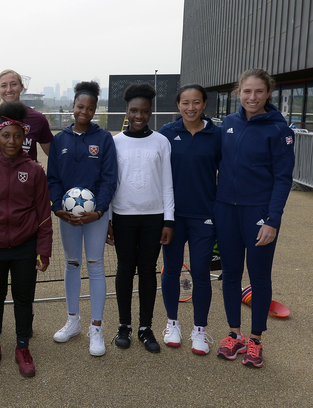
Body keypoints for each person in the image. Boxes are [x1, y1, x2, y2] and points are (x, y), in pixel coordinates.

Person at [214, 68, 294, 368]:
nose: (252, 97)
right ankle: (234, 334)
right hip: (226, 211)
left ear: (268, 94)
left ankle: (255, 340)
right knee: (231, 275)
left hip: (259, 215)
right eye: (247, 91)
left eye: (258, 91)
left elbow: (283, 179)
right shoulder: (229, 124)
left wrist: (273, 220)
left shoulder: (279, 130)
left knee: (259, 278)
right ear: (239, 93)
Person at [0, 101, 53, 378]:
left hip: (25, 246)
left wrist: (44, 249)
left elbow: (43, 214)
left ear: (25, 138)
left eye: (18, 136)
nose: (12, 141)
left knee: (23, 297)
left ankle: (22, 347)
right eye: (6, 136)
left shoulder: (36, 171)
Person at [47, 81, 117, 357]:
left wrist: (98, 211)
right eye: (79, 107)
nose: (84, 111)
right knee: (72, 264)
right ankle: (73, 321)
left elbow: (110, 179)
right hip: (67, 216)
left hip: (96, 215)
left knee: (96, 266)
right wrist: (57, 208)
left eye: (89, 108)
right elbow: (53, 178)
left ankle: (96, 328)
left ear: (95, 109)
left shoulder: (104, 138)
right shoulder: (60, 139)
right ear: (72, 107)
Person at [107, 83, 174, 354]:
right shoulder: (115, 142)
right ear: (127, 111)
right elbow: (111, 184)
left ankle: (146, 327)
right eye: (134, 110)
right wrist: (109, 220)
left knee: (147, 271)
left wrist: (168, 220)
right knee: (125, 269)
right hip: (123, 216)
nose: (139, 116)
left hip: (153, 218)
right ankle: (124, 325)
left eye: (144, 111)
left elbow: (167, 184)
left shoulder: (161, 141)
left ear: (150, 112)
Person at [158, 84, 221, 355]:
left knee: (200, 273)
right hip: (172, 217)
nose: (191, 107)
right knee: (171, 270)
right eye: (185, 102)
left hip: (204, 216)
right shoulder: (166, 134)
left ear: (204, 104)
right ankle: (172, 324)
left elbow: (227, 173)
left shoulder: (217, 135)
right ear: (178, 105)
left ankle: (199, 330)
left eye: (196, 102)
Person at [0, 69, 53, 161]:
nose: (9, 89)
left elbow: (52, 153)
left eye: (14, 84)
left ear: (22, 87)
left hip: (26, 174)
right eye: (4, 86)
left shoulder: (37, 119)